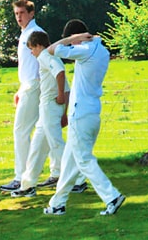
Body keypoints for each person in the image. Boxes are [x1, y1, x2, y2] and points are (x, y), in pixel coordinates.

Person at [44, 21, 125, 216]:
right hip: (91, 112)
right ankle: (57, 204)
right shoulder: (103, 51)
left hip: (80, 114)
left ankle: (111, 196)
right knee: (70, 162)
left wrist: (72, 39)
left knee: (83, 160)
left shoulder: (85, 50)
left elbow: (52, 49)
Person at [4, 0, 56, 194]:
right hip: (28, 85)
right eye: (16, 14)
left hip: (34, 84)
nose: (19, 17)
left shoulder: (36, 33)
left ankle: (21, 176)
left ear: (31, 13)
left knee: (21, 130)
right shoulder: (25, 34)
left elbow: (41, 62)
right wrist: (20, 88)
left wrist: (33, 85)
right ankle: (55, 171)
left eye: (22, 13)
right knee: (44, 129)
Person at [12, 30, 66, 200]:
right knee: (37, 147)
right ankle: (27, 185)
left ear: (39, 45)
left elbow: (60, 72)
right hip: (46, 108)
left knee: (56, 144)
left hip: (50, 105)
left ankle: (77, 177)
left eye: (31, 48)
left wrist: (60, 95)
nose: (31, 52)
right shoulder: (49, 56)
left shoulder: (44, 56)